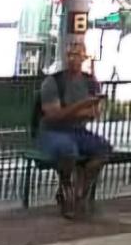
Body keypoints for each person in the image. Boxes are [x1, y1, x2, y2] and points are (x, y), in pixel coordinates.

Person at [38, 41, 112, 217]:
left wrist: (71, 111)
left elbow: (94, 113)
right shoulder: (53, 81)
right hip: (53, 131)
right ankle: (66, 187)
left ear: (84, 57)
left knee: (103, 149)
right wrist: (82, 106)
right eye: (69, 54)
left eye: (77, 55)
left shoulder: (90, 82)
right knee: (67, 150)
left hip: (78, 131)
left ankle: (80, 192)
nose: (72, 59)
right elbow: (53, 115)